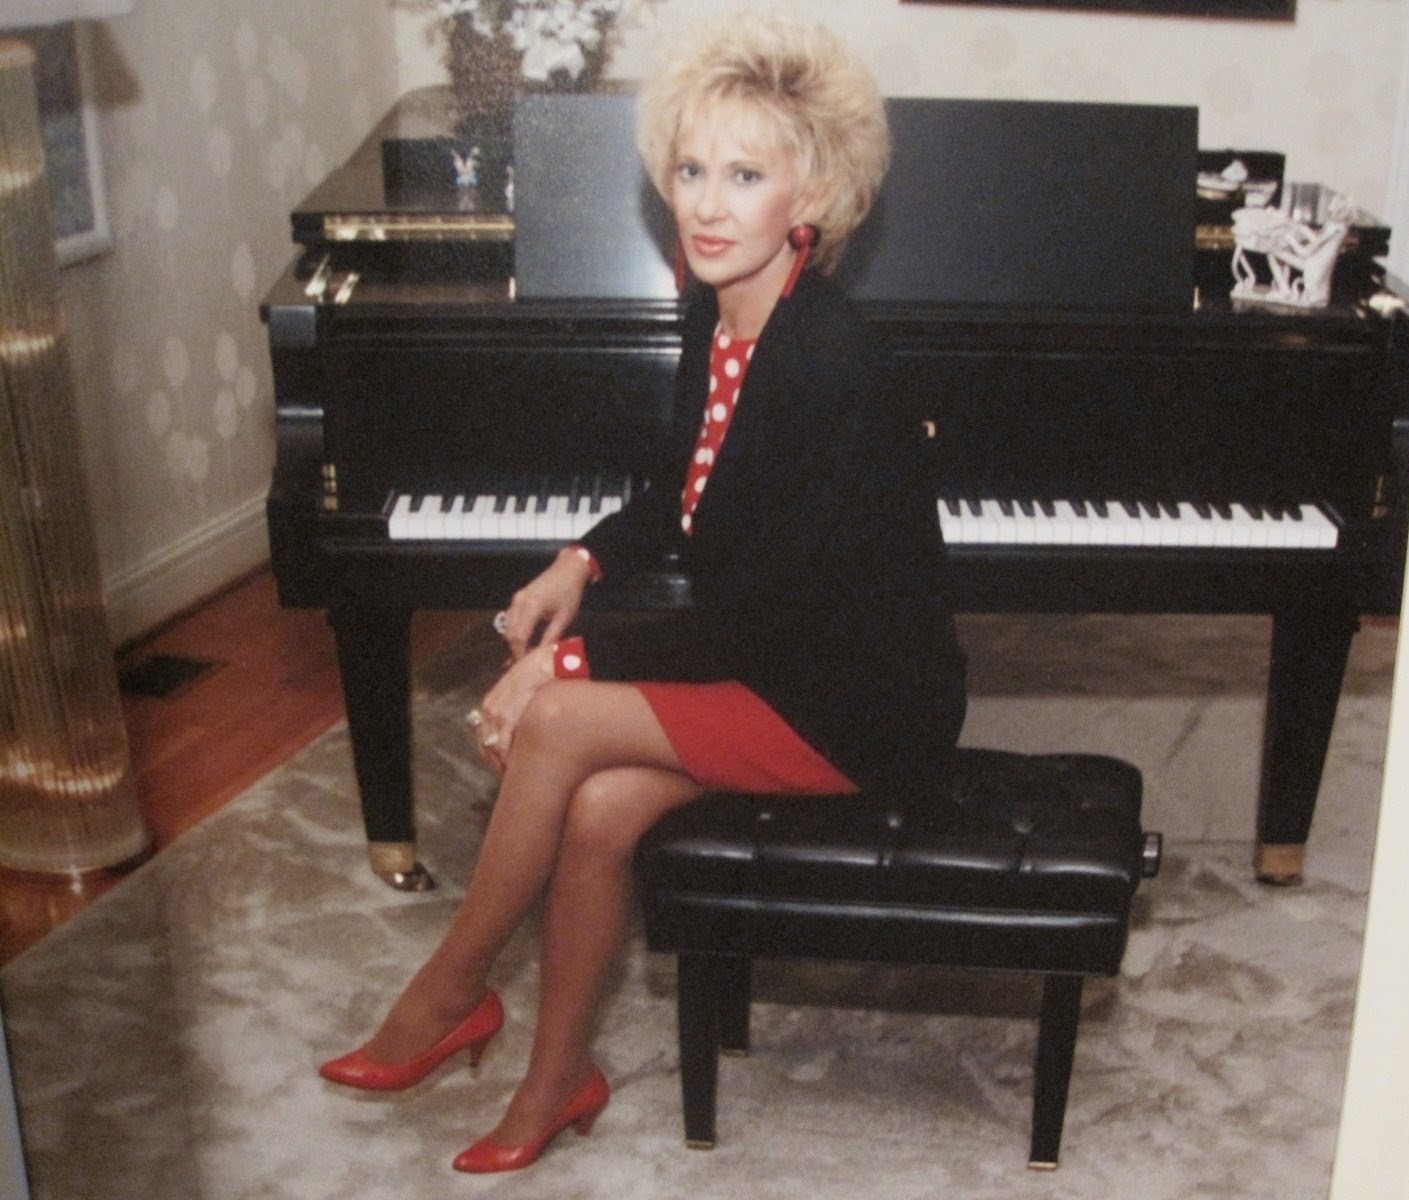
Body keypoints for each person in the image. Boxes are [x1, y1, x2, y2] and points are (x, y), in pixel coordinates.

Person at [317, 11, 966, 1175]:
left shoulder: (827, 365)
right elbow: (680, 490)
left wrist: (566, 662)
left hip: (858, 706)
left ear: (813, 193)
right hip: (780, 670)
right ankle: (558, 1079)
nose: (706, 205)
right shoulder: (721, 313)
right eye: (689, 169)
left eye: (746, 175)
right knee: (598, 811)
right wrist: (581, 559)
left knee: (561, 721)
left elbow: (751, 625)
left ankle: (450, 990)